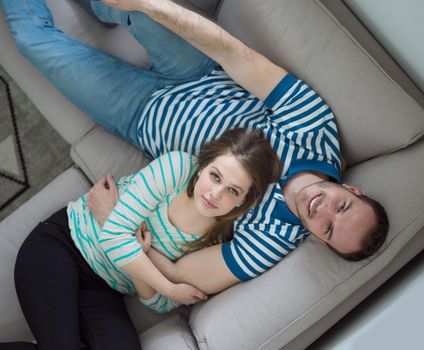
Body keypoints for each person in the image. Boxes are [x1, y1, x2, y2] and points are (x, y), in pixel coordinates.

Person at [0, 0, 389, 297]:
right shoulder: (318, 135)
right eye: (342, 206)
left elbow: (182, 273)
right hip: (197, 71)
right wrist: (150, 5)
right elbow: (240, 57)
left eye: (328, 228)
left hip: (139, 118)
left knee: (34, 43)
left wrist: (116, 224)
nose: (323, 211)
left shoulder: (270, 242)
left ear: (319, 241)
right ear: (353, 190)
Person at [0, 128, 280, 350]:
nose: (215, 194)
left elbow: (156, 305)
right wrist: (169, 286)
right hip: (63, 246)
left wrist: (143, 259)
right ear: (203, 166)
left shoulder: (215, 241)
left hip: (103, 287)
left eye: (233, 191)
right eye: (215, 176)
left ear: (245, 201)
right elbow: (112, 236)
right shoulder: (177, 168)